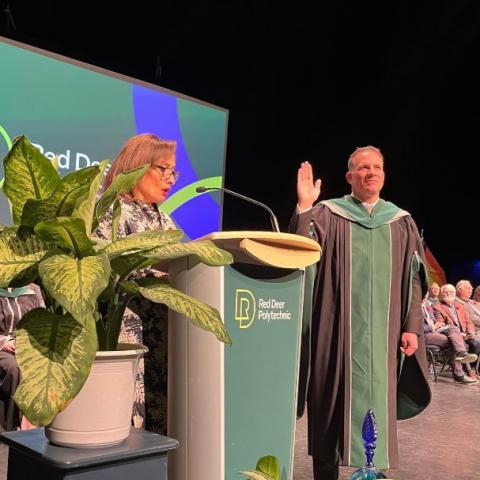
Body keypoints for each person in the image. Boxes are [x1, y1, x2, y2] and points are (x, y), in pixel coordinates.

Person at [290, 146, 431, 480]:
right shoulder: (327, 214)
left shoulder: (401, 221)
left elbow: (413, 276)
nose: (372, 172)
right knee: (328, 404)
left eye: (377, 167)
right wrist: (305, 206)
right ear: (350, 176)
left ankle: (374, 473)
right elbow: (299, 251)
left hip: (384, 337)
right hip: (334, 330)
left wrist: (411, 325)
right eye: (363, 168)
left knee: (378, 408)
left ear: (384, 174)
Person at [94, 133, 179, 434]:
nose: (171, 178)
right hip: (127, 331)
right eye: (163, 169)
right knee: (130, 429)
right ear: (136, 166)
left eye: (174, 171)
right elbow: (102, 270)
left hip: (165, 335)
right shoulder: (112, 210)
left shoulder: (163, 218)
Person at [0, 284, 43, 431]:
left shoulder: (33, 290)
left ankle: (38, 423)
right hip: (3, 347)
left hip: (30, 345)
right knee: (15, 368)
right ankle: (13, 428)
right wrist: (4, 343)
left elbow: (43, 322)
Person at [433, 283, 480, 372]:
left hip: (466, 333)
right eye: (445, 292)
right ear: (441, 294)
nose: (448, 294)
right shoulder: (437, 307)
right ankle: (469, 370)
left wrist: (470, 331)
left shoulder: (460, 306)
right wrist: (459, 333)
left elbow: (468, 321)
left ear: (454, 293)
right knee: (474, 343)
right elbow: (441, 324)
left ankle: (473, 368)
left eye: (451, 292)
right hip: (452, 334)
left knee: (476, 341)